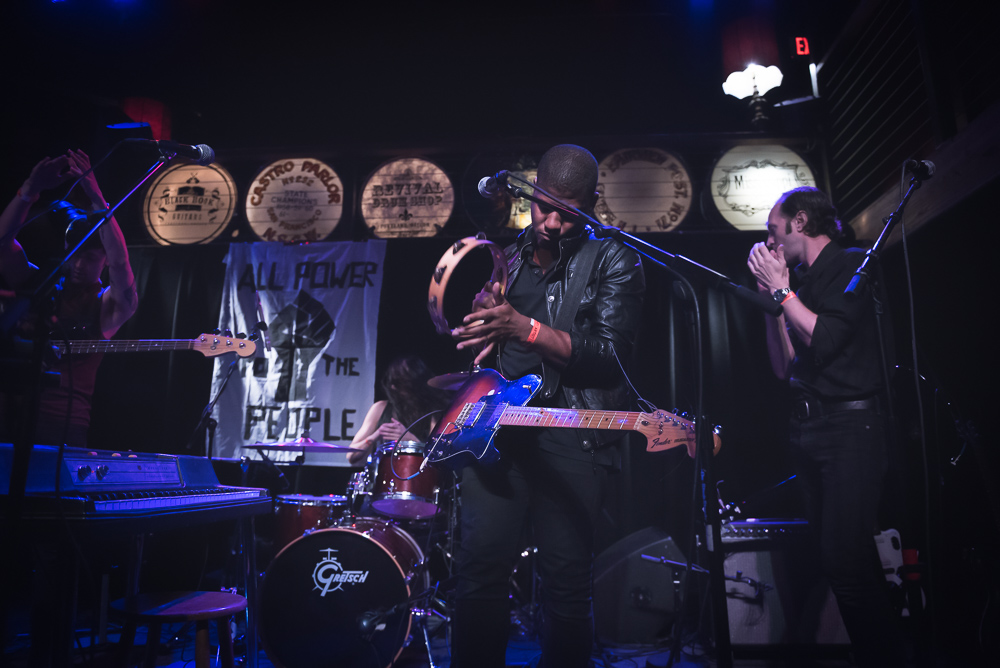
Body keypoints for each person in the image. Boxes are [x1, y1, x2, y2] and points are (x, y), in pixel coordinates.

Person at [449, 144, 645, 668]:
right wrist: (486, 327)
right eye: (544, 207)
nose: (553, 223)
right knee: (478, 572)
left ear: (593, 205)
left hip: (572, 431)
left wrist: (525, 328)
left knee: (566, 583)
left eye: (569, 213)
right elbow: (496, 337)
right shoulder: (509, 257)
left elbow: (609, 358)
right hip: (498, 429)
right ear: (531, 196)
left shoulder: (614, 258)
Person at [747, 186, 906, 666]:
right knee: (844, 559)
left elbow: (826, 338)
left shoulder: (850, 264)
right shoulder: (799, 282)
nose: (770, 242)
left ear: (799, 222)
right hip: (809, 430)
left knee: (845, 562)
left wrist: (782, 291)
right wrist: (771, 301)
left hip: (851, 428)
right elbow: (784, 366)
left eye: (773, 230)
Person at [0, 149, 137, 447]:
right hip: (7, 416)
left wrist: (97, 198)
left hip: (60, 426)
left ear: (103, 259)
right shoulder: (39, 284)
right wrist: (29, 190)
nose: (78, 264)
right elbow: (3, 245)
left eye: (89, 257)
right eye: (73, 255)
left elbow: (121, 263)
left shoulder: (107, 305)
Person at [348, 355, 453, 465]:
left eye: (400, 382)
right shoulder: (380, 408)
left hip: (418, 472)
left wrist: (410, 440)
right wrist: (374, 436)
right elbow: (351, 456)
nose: (393, 387)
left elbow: (437, 456)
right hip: (382, 474)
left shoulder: (433, 411)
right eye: (393, 383)